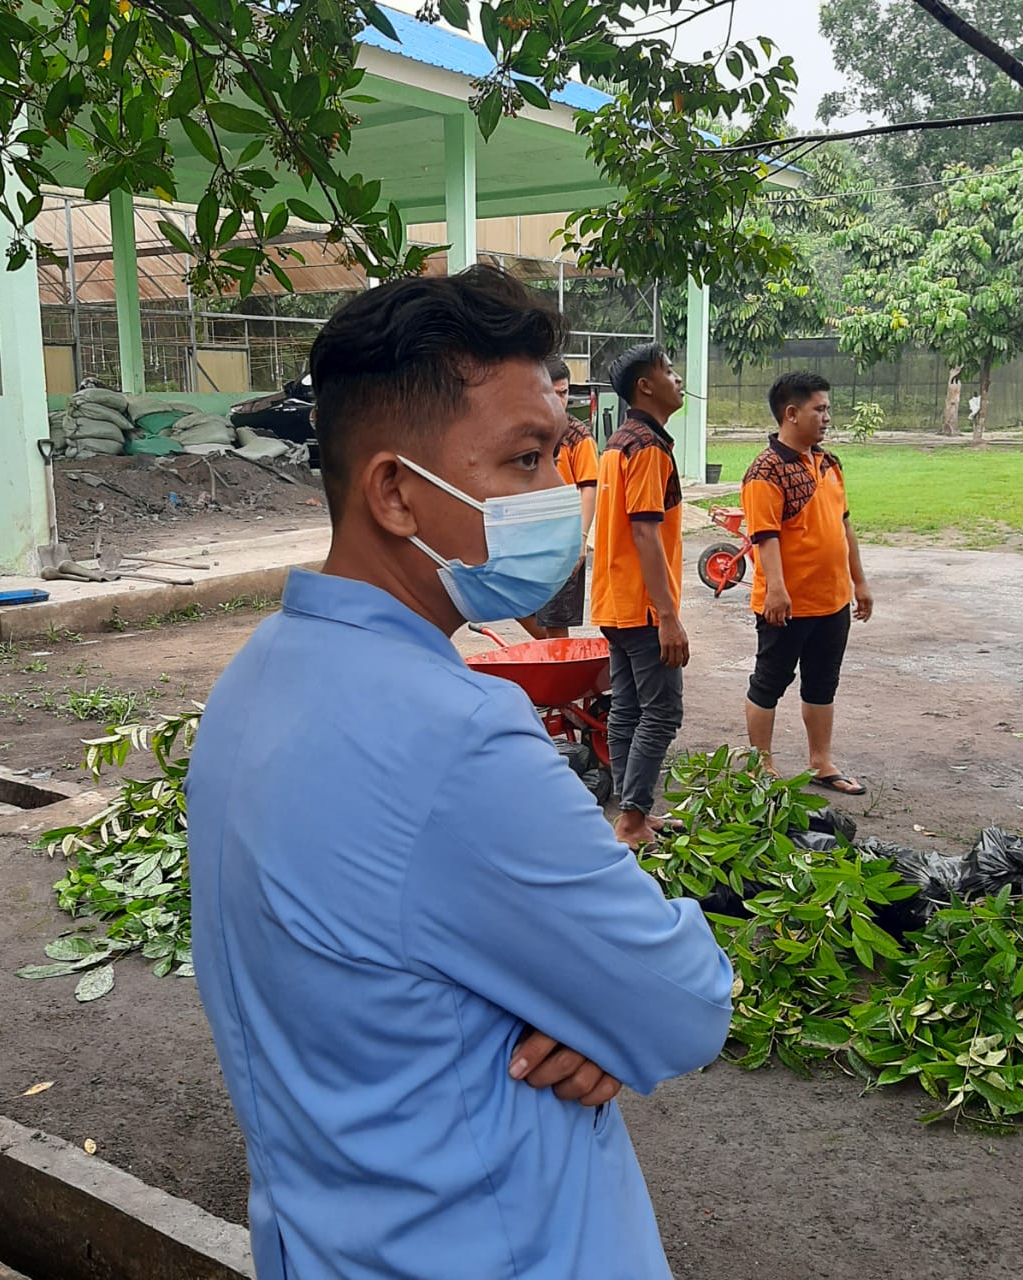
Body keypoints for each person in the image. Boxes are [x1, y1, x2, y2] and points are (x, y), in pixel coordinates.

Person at [185, 267, 733, 1280]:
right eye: (524, 461)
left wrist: (586, 998)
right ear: (395, 490)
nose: (557, 496)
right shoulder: (456, 735)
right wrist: (598, 1001)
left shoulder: (253, 681)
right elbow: (681, 1001)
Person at [740, 371, 873, 795]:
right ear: (792, 414)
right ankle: (762, 764)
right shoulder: (766, 470)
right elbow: (765, 536)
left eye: (828, 409)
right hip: (787, 605)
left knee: (822, 683)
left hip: (832, 601)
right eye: (820, 409)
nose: (827, 417)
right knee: (769, 682)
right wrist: (776, 590)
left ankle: (821, 763)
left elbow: (844, 526)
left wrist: (860, 582)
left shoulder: (830, 464)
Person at [590, 342, 689, 848]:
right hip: (644, 607)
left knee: (628, 709)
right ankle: (632, 817)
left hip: (613, 601)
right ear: (645, 387)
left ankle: (631, 814)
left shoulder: (617, 442)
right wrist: (668, 615)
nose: (678, 378)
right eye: (669, 371)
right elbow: (645, 532)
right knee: (662, 710)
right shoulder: (647, 447)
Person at [517, 357, 599, 638]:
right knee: (513, 601)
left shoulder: (578, 436)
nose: (559, 400)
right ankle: (551, 658)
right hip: (530, 536)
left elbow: (588, 487)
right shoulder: (525, 433)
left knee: (556, 622)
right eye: (552, 393)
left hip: (564, 540)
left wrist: (581, 539)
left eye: (564, 393)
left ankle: (560, 670)